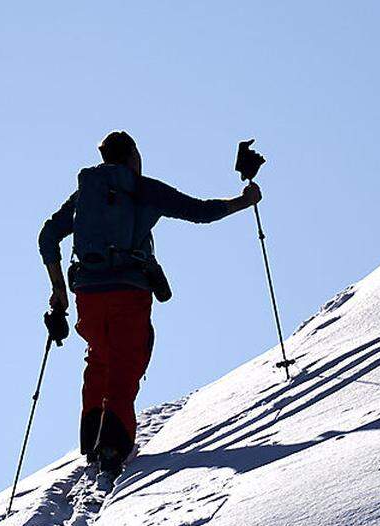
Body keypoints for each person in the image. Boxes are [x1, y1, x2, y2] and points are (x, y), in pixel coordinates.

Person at [38, 130, 261, 472]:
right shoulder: (144, 189)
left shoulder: (85, 195)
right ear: (132, 157)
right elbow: (201, 212)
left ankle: (92, 436)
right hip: (129, 289)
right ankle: (113, 446)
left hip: (88, 293)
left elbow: (48, 235)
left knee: (100, 357)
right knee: (128, 360)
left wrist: (59, 291)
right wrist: (244, 201)